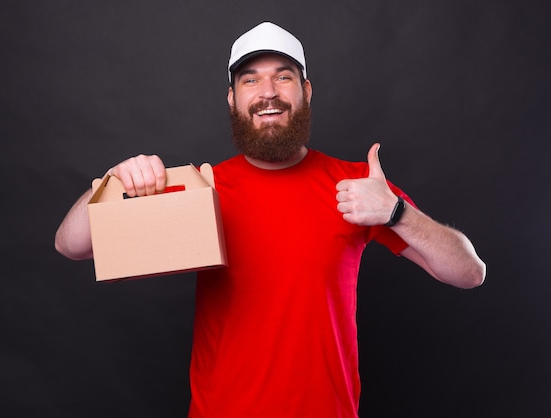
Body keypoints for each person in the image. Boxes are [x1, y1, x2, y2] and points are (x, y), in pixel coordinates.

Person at [55, 21, 486, 418]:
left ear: (306, 90)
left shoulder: (357, 186)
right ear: (232, 97)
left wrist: (397, 212)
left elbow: (469, 272)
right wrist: (113, 182)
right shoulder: (205, 188)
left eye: (283, 76)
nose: (268, 92)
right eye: (250, 79)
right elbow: (71, 244)